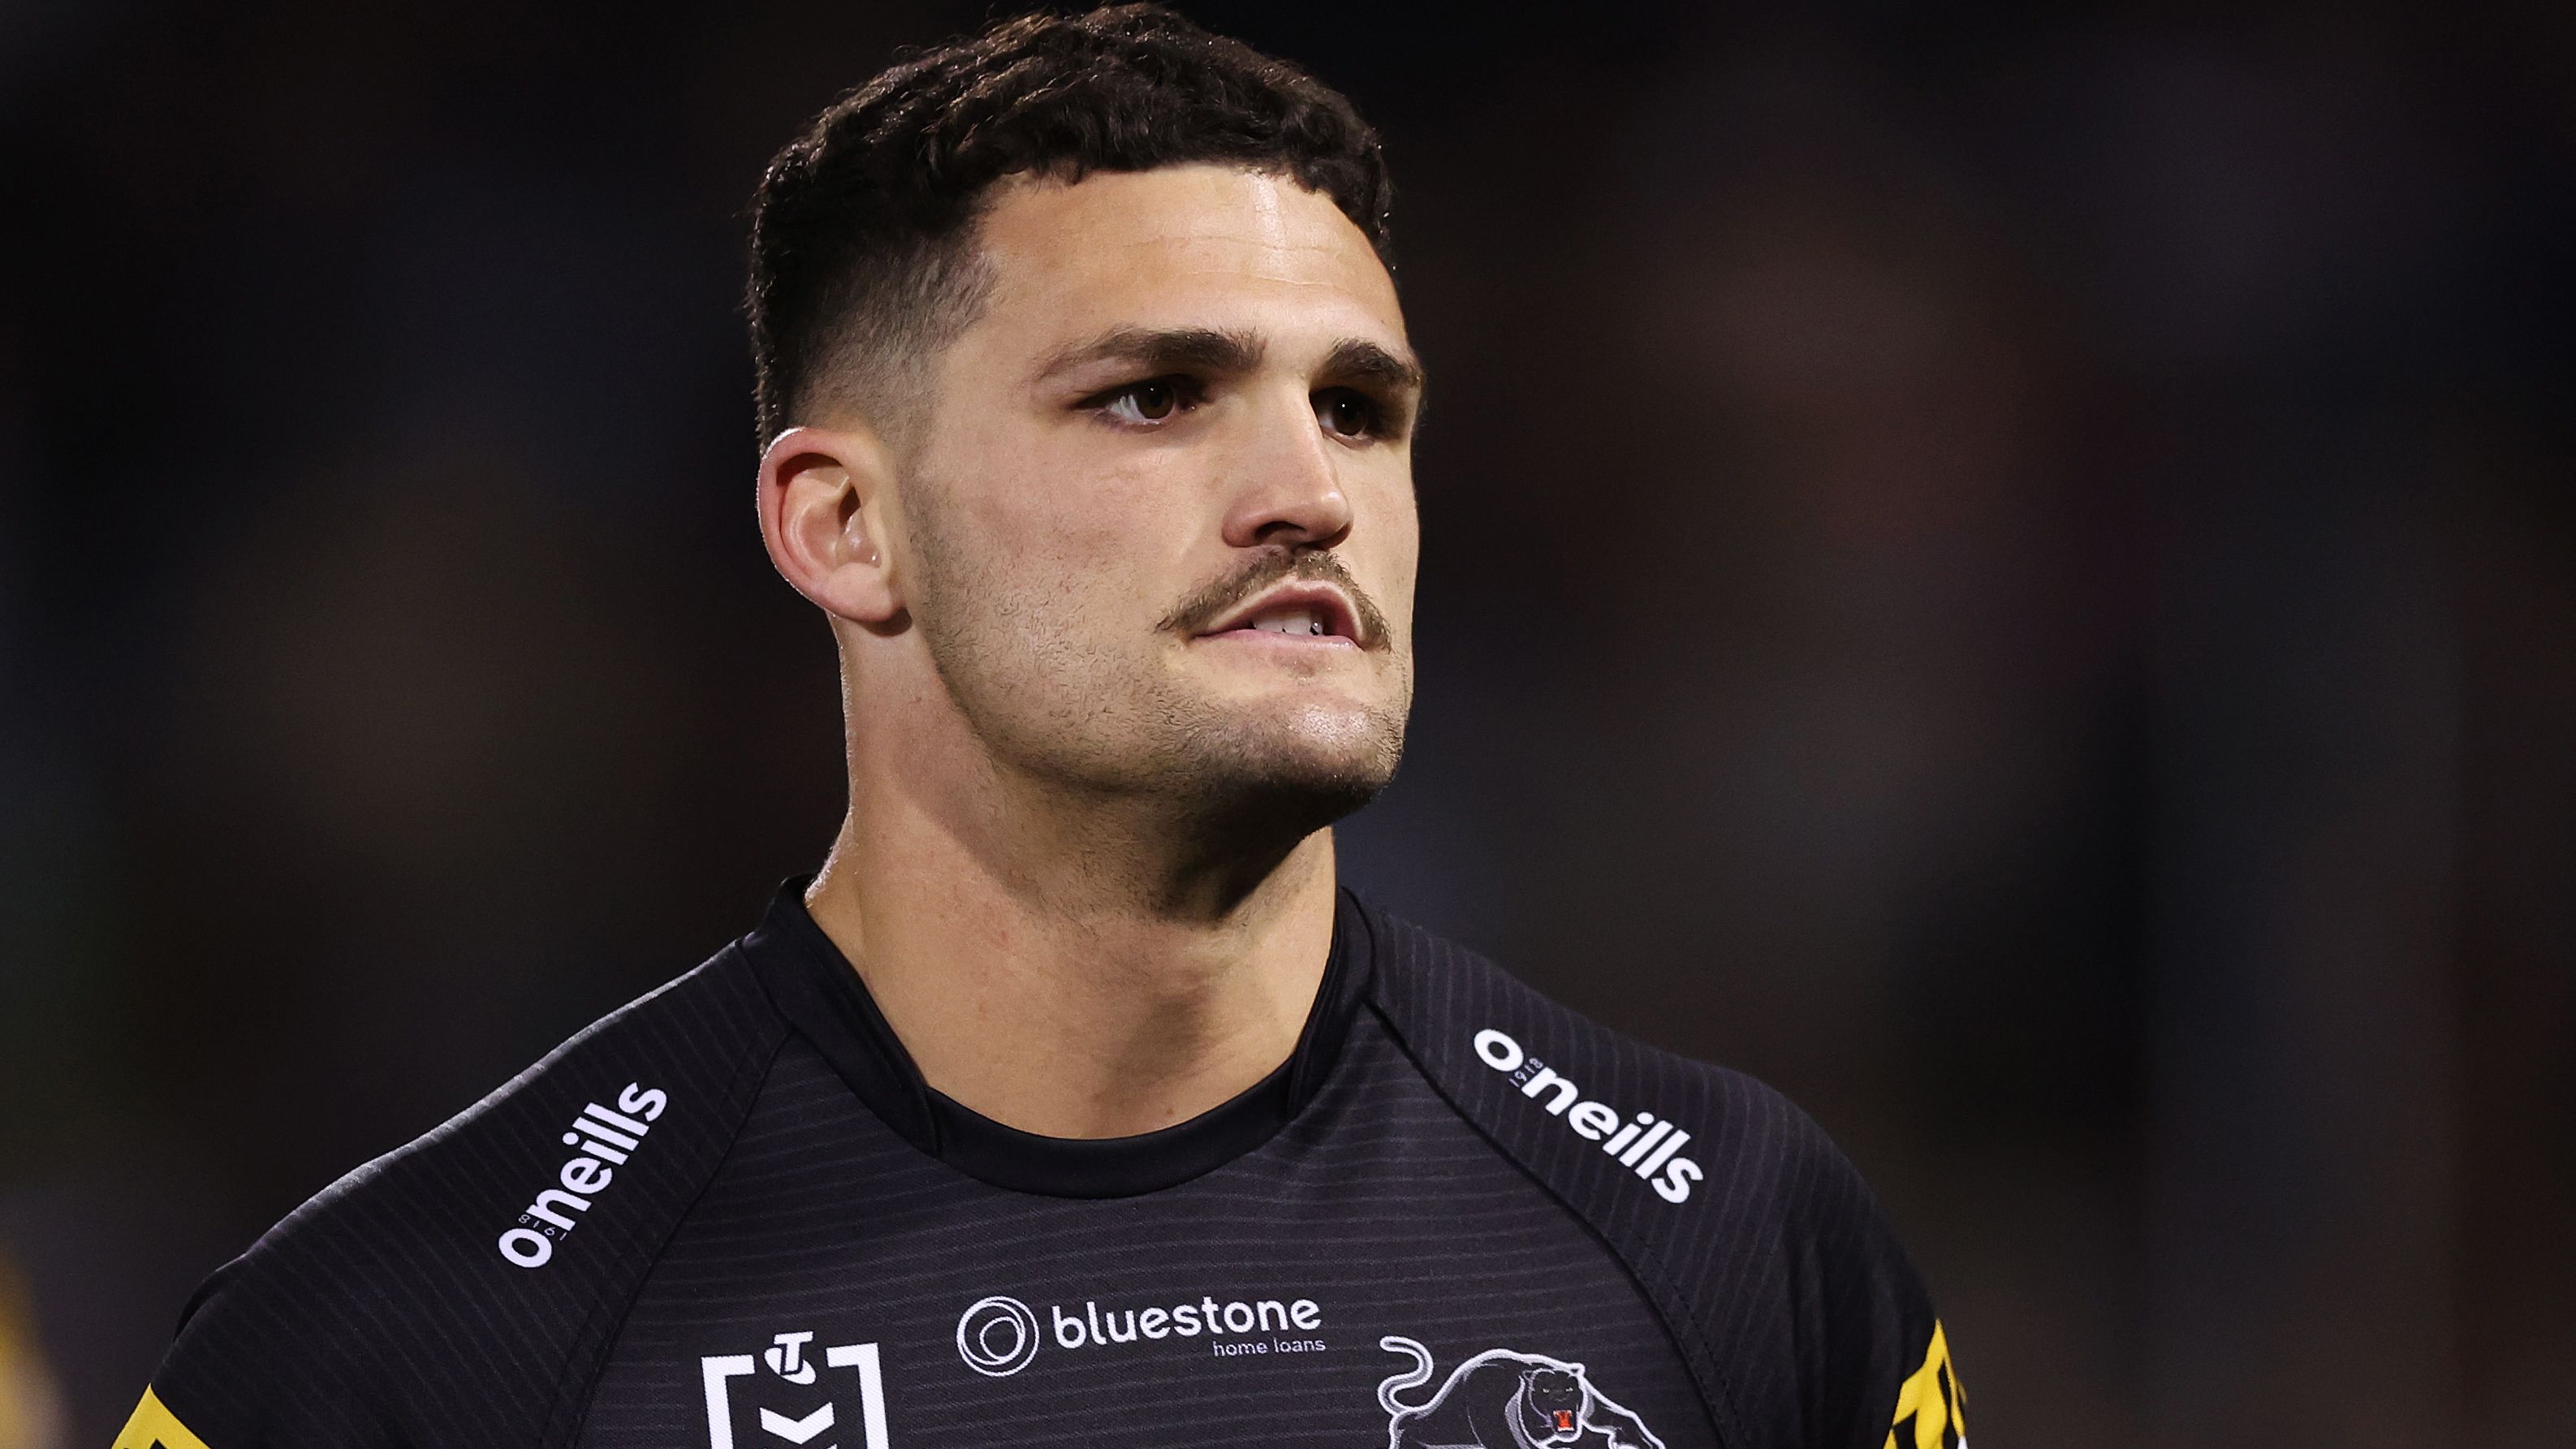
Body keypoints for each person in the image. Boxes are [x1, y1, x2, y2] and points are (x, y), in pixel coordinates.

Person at [114, 8, 1965, 1448]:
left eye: (1359, 407)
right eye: (1158, 395)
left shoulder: (1735, 1242)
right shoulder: (420, 1342)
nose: (1306, 491)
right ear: (844, 527)